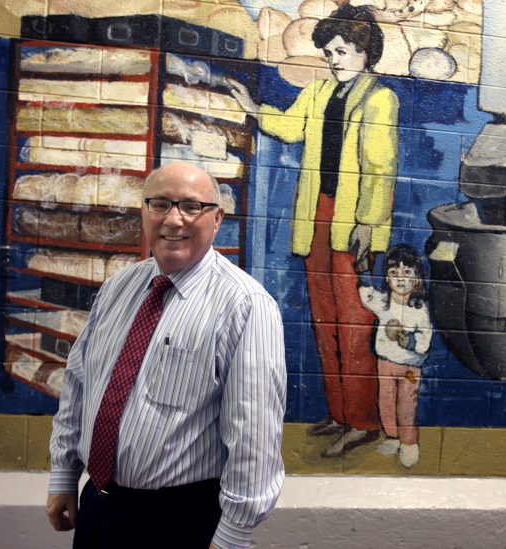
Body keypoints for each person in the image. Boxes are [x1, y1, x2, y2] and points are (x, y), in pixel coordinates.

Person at [45, 160, 286, 548]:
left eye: (191, 206)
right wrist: (64, 475)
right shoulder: (118, 288)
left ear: (217, 218)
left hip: (181, 521)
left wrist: (234, 534)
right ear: (144, 212)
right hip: (99, 506)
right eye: (160, 204)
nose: (174, 220)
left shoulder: (246, 305)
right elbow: (78, 385)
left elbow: (254, 434)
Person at [228, 5, 399, 458]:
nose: (334, 60)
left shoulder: (381, 99)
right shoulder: (320, 93)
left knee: (355, 325)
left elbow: (381, 170)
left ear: (365, 51)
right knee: (326, 322)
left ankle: (362, 421)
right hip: (317, 217)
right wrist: (252, 108)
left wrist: (367, 223)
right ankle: (340, 412)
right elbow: (289, 127)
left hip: (355, 224)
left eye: (342, 51)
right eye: (328, 53)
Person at [358, 244, 432, 468]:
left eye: (407, 273)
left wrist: (408, 341)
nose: (400, 279)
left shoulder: (419, 309)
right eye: (393, 273)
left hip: (410, 368)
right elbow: (366, 295)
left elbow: (425, 340)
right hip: (386, 364)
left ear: (417, 279)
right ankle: (393, 436)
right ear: (388, 280)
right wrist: (363, 271)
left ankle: (409, 443)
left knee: (406, 406)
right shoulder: (384, 303)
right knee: (386, 402)